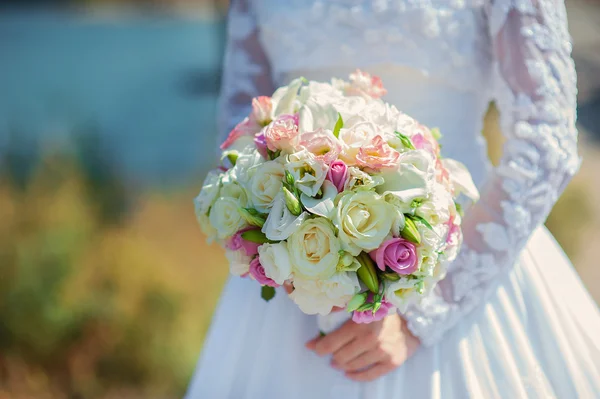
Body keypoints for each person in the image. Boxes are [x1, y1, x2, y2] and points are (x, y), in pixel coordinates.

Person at [186, 1, 600, 397]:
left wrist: (421, 314)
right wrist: (292, 259)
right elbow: (242, 128)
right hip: (292, 281)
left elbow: (547, 142)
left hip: (461, 262)